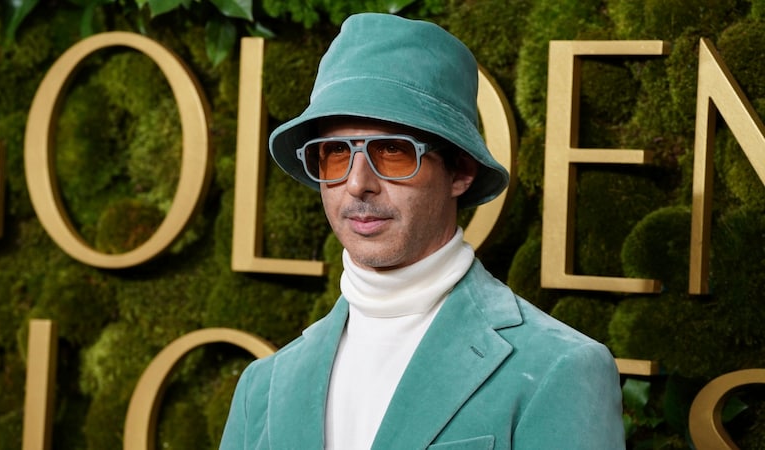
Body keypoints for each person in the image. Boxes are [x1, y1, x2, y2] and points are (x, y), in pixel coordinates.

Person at [220, 12, 625, 450]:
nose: (358, 184)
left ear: (461, 171)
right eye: (335, 153)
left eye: (393, 151)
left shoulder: (559, 367)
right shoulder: (261, 387)